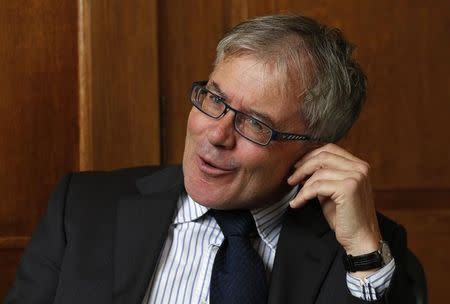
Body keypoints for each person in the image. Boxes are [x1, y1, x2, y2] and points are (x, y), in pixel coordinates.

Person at [5, 15, 414, 304]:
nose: (215, 134)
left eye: (255, 123)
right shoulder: (83, 206)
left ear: (314, 150)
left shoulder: (366, 249)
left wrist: (362, 253)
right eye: (215, 99)